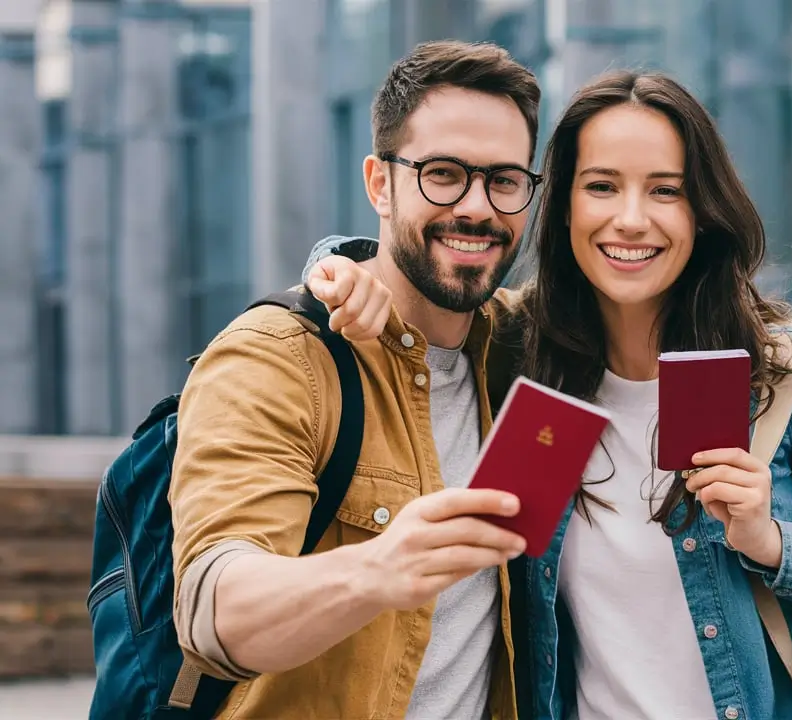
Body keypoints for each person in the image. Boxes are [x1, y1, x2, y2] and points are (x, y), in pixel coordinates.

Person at [309, 70, 792, 720]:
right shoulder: (522, 353)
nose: (631, 220)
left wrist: (771, 541)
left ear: (701, 211)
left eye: (665, 190)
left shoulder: (787, 373)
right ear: (565, 206)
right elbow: (407, 286)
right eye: (602, 186)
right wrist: (332, 269)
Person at [168, 40, 544, 719]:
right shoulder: (276, 357)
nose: (478, 207)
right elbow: (214, 611)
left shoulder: (523, 350)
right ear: (380, 183)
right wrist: (378, 571)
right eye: (443, 173)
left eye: (505, 180)